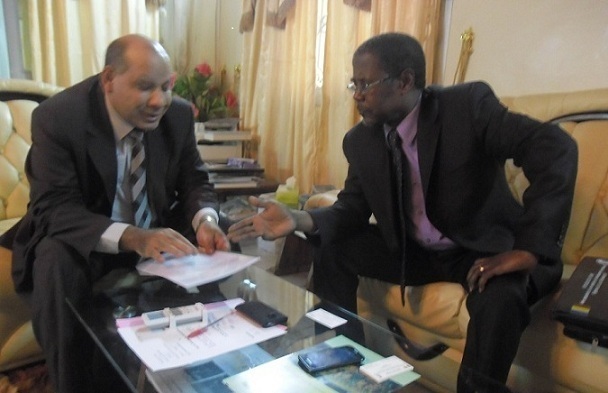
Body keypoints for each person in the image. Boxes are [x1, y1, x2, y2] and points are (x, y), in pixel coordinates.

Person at [228, 33, 578, 392]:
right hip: (416, 251)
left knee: (501, 297)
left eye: (366, 84)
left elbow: (555, 148)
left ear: (405, 81)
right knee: (333, 245)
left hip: (483, 248)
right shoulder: (361, 141)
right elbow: (351, 209)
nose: (357, 95)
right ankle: (345, 363)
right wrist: (300, 218)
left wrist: (529, 248)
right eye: (354, 83)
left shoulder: (466, 108)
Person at [0, 34, 230, 393]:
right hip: (87, 239)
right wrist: (134, 237)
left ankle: (203, 364)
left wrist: (207, 221)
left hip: (152, 231)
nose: (159, 101)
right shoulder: (59, 118)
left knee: (221, 232)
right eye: (144, 87)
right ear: (108, 79)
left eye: (166, 87)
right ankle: (71, 382)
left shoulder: (178, 114)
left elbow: (194, 181)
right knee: (54, 259)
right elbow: (54, 208)